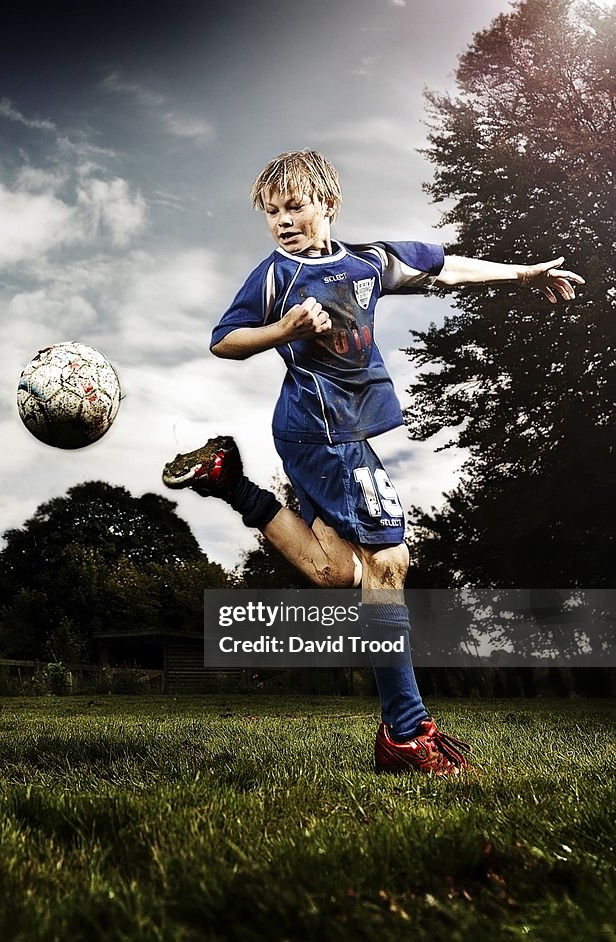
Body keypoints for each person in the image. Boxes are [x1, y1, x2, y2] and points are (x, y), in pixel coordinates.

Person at [162, 149, 584, 775]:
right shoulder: (273, 275)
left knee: (336, 574)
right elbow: (224, 339)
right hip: (318, 434)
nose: (283, 220)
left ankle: (232, 482)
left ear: (327, 205)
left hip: (339, 438)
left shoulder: (369, 261)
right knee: (388, 562)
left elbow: (446, 265)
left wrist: (521, 276)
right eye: (272, 212)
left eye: (296, 206)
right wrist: (284, 331)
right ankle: (408, 734)